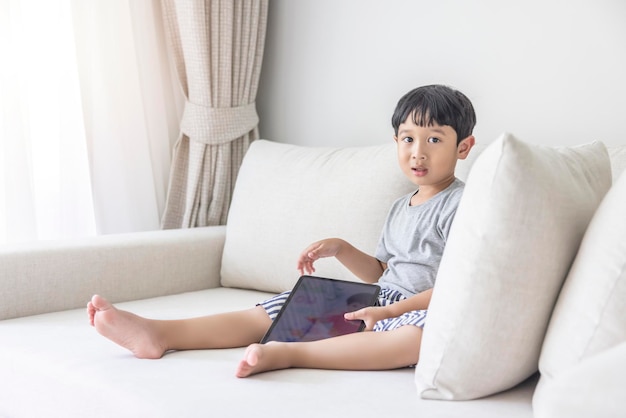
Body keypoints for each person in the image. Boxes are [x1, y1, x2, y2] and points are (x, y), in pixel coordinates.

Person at [87, 84, 476, 378]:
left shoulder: (460, 203)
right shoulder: (399, 206)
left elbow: (455, 285)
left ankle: (287, 354)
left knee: (415, 340)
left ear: (463, 147)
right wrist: (341, 249)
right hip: (379, 297)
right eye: (408, 139)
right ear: (396, 142)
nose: (417, 152)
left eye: (434, 140)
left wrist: (394, 310)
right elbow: (381, 271)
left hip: (418, 308)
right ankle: (161, 333)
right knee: (279, 308)